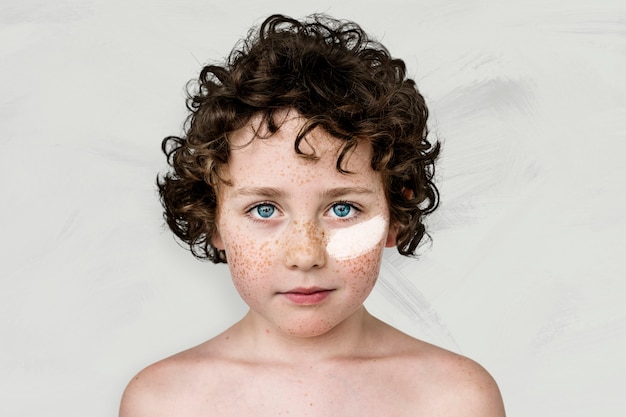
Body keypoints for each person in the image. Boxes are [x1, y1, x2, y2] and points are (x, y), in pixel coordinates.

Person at [119, 13, 505, 416]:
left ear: (395, 217)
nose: (305, 254)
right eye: (264, 209)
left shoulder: (454, 399)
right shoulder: (165, 402)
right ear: (213, 220)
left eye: (343, 209)